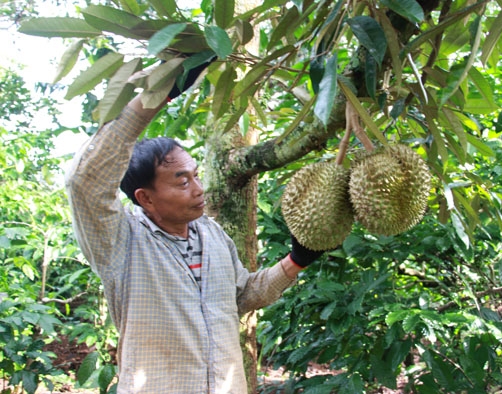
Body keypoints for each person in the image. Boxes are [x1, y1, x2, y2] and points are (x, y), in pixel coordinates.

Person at [65, 59, 325, 393]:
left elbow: (242, 296)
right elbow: (85, 181)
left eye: (196, 174)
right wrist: (155, 95)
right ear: (146, 198)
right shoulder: (121, 242)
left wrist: (297, 260)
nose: (199, 188)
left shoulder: (212, 235)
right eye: (182, 180)